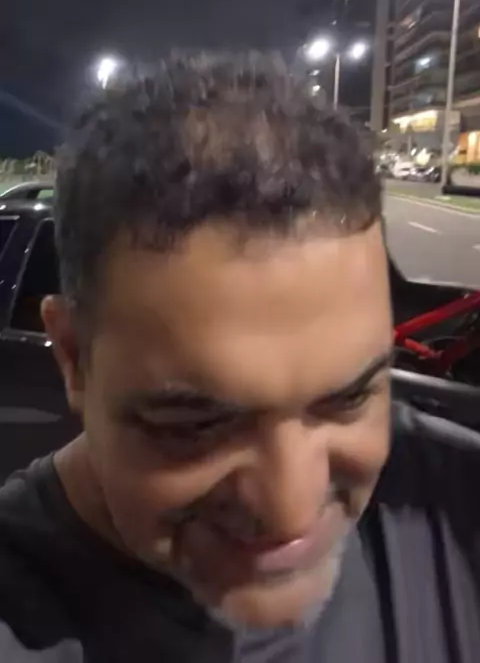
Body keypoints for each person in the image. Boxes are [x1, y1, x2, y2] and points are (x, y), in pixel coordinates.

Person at [0, 56, 479, 663]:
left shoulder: (461, 506)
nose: (290, 511)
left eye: (350, 398)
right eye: (196, 424)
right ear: (73, 357)